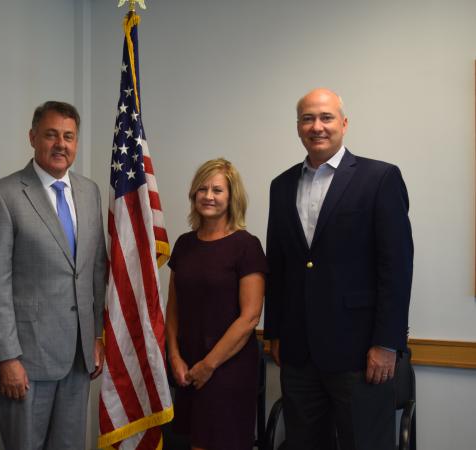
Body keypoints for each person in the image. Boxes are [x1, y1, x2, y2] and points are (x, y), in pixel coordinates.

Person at [264, 88, 414, 450]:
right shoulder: (281, 185)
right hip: (299, 355)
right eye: (308, 118)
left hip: (361, 355)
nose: (317, 126)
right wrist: (276, 333)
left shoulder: (379, 178)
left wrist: (385, 343)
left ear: (343, 124)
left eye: (326, 117)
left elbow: (396, 267)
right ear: (298, 127)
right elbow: (279, 265)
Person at [0, 101, 107, 450]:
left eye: (69, 136)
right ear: (33, 138)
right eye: (51, 135)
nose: (60, 144)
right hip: (26, 360)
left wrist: (96, 337)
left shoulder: (89, 191)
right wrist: (6, 357)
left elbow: (95, 270)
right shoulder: (1, 195)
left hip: (79, 357)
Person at [166, 158, 266, 450]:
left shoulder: (247, 245)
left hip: (228, 367)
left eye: (217, 190)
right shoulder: (184, 244)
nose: (208, 196)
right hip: (187, 365)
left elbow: (250, 317)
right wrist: (174, 356)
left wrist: (209, 365)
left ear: (231, 196)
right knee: (194, 442)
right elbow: (173, 308)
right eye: (202, 188)